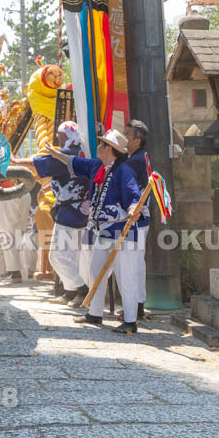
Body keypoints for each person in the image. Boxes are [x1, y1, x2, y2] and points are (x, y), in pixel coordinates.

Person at [38, 129, 142, 334]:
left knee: (125, 276)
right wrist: (55, 153)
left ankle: (130, 321)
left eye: (103, 145)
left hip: (123, 231)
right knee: (95, 271)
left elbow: (134, 195)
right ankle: (95, 313)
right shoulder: (96, 166)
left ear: (111, 150)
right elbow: (73, 162)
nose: (99, 147)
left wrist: (132, 209)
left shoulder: (124, 171)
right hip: (102, 231)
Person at [11, 121, 91, 304]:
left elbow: (41, 162)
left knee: (56, 255)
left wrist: (16, 162)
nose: (58, 138)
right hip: (80, 210)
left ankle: (82, 288)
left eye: (61, 135)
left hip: (69, 212)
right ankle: (71, 293)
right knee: (72, 255)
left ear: (69, 136)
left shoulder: (66, 155)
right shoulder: (80, 153)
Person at [123, 119, 151, 320]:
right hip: (141, 216)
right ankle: (137, 304)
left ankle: (136, 306)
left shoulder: (135, 161)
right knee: (137, 262)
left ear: (137, 140)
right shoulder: (139, 156)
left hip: (137, 217)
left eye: (127, 135)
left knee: (134, 263)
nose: (124, 137)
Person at [0, 182, 31, 285]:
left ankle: (14, 271)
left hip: (8, 192)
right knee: (18, 233)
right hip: (25, 191)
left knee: (7, 234)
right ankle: (17, 271)